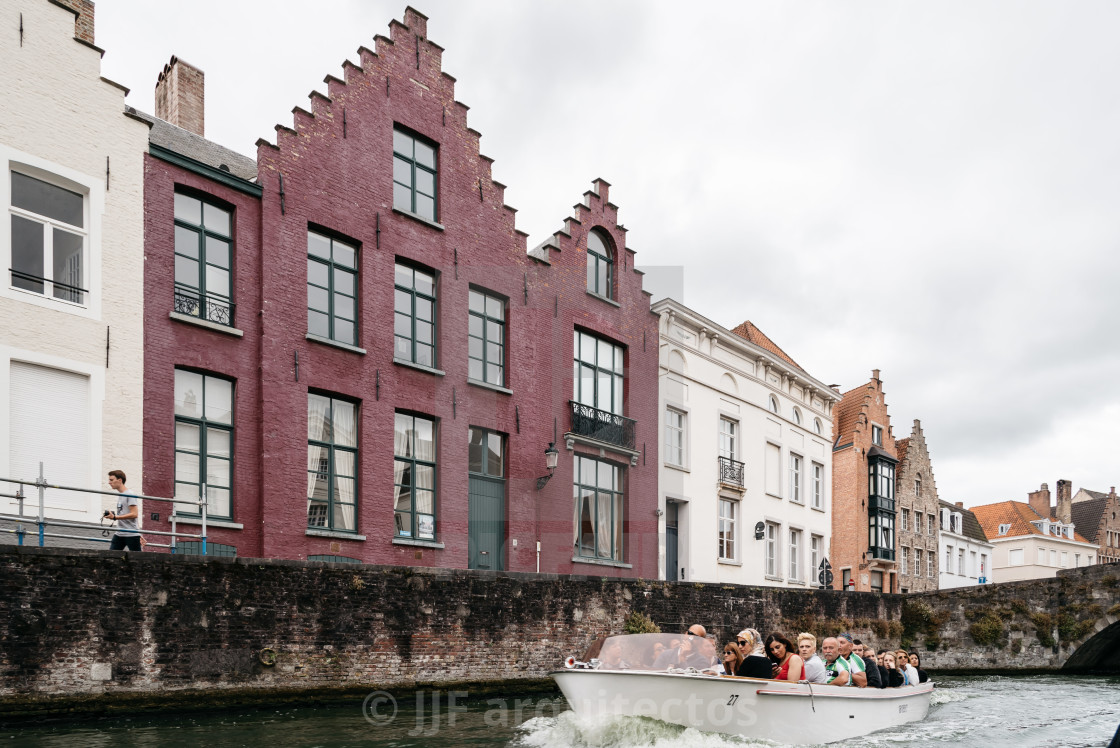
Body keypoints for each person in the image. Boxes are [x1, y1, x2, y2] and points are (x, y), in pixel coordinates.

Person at [106, 470, 142, 551]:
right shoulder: (121, 495)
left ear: (120, 480)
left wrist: (115, 517)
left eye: (111, 480)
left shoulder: (130, 494)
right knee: (111, 557)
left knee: (137, 560)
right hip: (119, 533)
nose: (109, 482)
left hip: (131, 534)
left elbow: (134, 514)